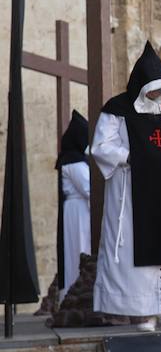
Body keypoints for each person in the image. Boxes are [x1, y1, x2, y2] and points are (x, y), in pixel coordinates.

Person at [90, 43, 161, 331]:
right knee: (133, 247)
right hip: (132, 188)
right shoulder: (118, 109)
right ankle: (143, 313)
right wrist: (132, 157)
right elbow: (101, 147)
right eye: (151, 88)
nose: (155, 94)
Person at [55, 111, 91, 297]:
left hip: (82, 210)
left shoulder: (78, 160)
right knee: (77, 250)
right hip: (77, 211)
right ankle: (73, 295)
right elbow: (88, 188)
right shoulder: (73, 162)